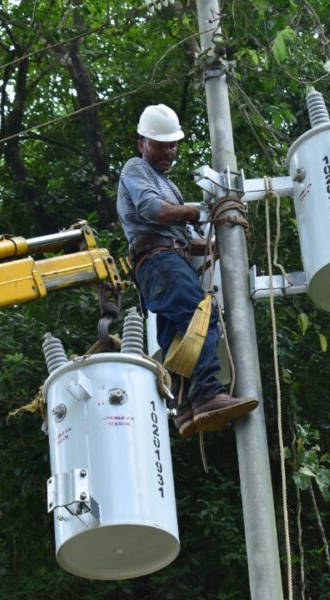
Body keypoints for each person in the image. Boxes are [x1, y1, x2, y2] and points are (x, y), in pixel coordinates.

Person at [117, 104, 258, 437]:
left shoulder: (168, 185)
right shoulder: (136, 169)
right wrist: (192, 211)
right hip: (159, 262)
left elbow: (186, 239)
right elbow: (154, 210)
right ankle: (207, 393)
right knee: (202, 317)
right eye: (161, 144)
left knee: (178, 339)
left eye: (172, 144)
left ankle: (184, 408)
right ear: (142, 143)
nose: (169, 150)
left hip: (165, 261)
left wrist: (225, 241)